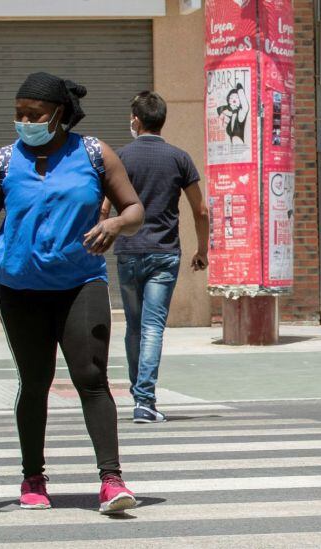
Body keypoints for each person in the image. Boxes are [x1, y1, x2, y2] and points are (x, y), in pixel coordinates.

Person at [0, 72, 146, 514]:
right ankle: (33, 477)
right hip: (20, 290)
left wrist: (116, 224)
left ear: (59, 115)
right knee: (35, 382)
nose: (24, 121)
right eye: (19, 114)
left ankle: (111, 479)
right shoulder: (3, 161)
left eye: (34, 114)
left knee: (91, 376)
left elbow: (133, 208)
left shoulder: (95, 154)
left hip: (80, 283)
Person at [100, 90, 209, 423]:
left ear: (136, 119)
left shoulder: (120, 159)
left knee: (133, 328)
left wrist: (101, 239)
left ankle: (140, 397)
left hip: (129, 252)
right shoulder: (180, 158)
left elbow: (104, 208)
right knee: (153, 328)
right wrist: (202, 250)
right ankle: (144, 400)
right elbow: (200, 210)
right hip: (164, 253)